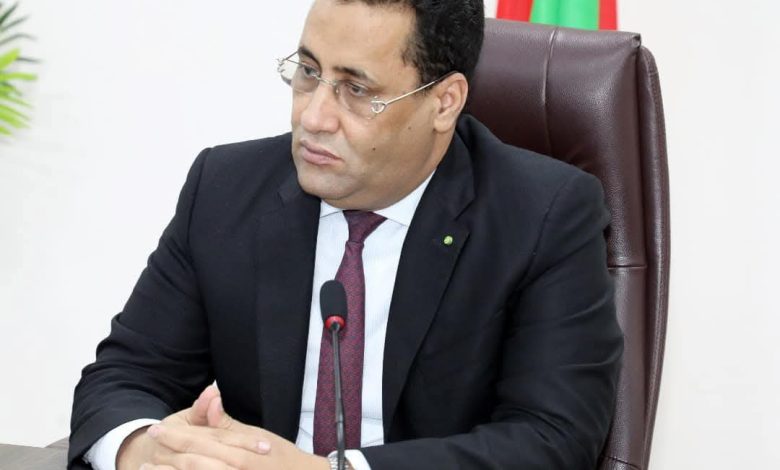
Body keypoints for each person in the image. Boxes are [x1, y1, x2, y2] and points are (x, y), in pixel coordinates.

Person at [69, 0, 624, 469]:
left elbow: (553, 438)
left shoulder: (544, 215)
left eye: (356, 89)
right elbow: (126, 373)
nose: (313, 117)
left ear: (444, 102)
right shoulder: (225, 189)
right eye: (308, 72)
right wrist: (146, 451)